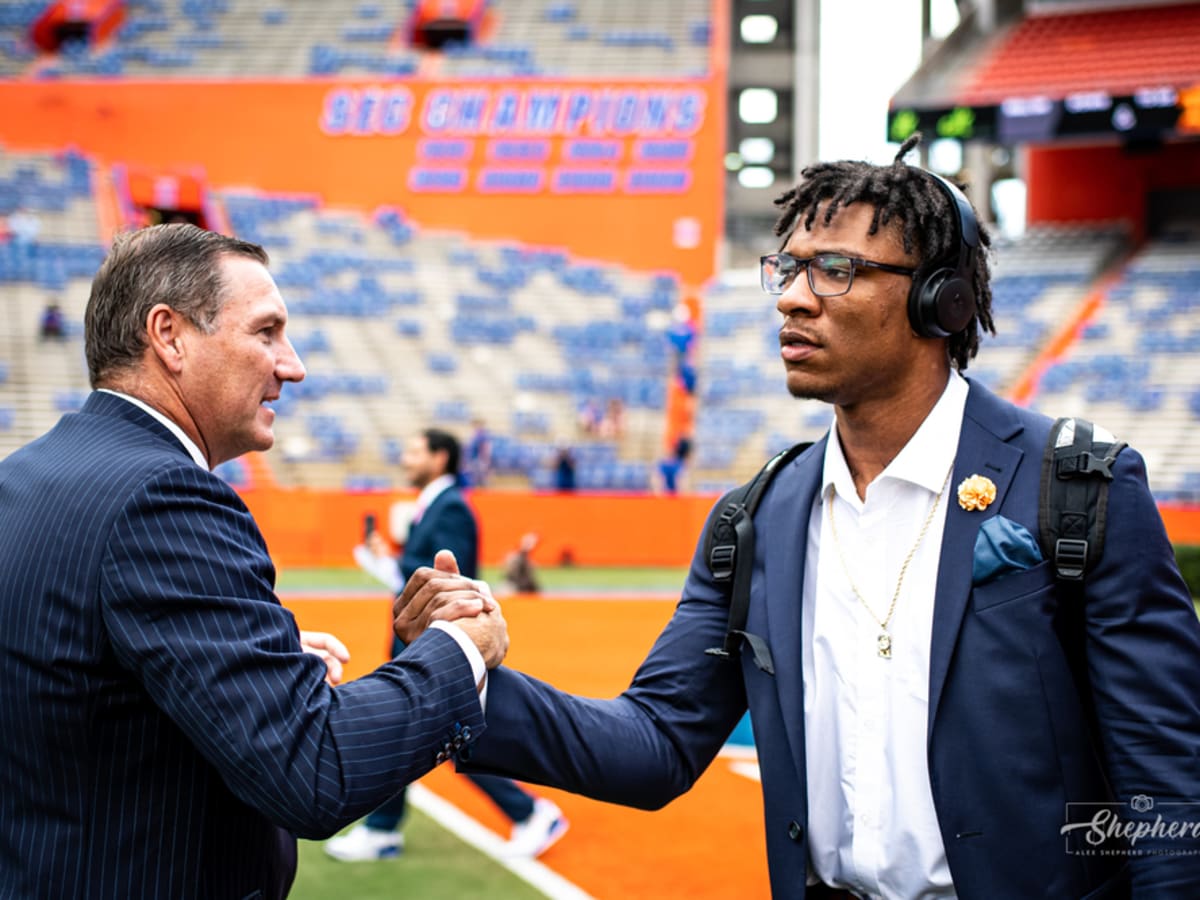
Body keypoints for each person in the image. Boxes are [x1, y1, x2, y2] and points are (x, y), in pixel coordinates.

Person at [400, 136, 1200, 898]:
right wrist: (466, 676)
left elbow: (1168, 791)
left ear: (939, 300)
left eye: (836, 270)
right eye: (787, 268)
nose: (791, 296)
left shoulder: (1079, 488)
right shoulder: (754, 520)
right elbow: (655, 742)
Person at [0, 223, 507, 899]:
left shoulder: (27, 473)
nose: (291, 364)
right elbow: (314, 772)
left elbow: (67, 674)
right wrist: (459, 651)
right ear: (170, 335)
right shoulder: (165, 496)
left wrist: (236, 654)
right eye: (266, 332)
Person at [328, 429, 568, 862]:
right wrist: (392, 562)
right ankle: (384, 828)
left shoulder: (451, 507)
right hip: (425, 643)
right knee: (410, 732)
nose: (405, 459)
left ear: (440, 458)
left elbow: (445, 584)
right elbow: (417, 572)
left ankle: (531, 812)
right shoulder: (436, 506)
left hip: (437, 644)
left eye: (415, 451)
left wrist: (387, 566)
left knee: (437, 737)